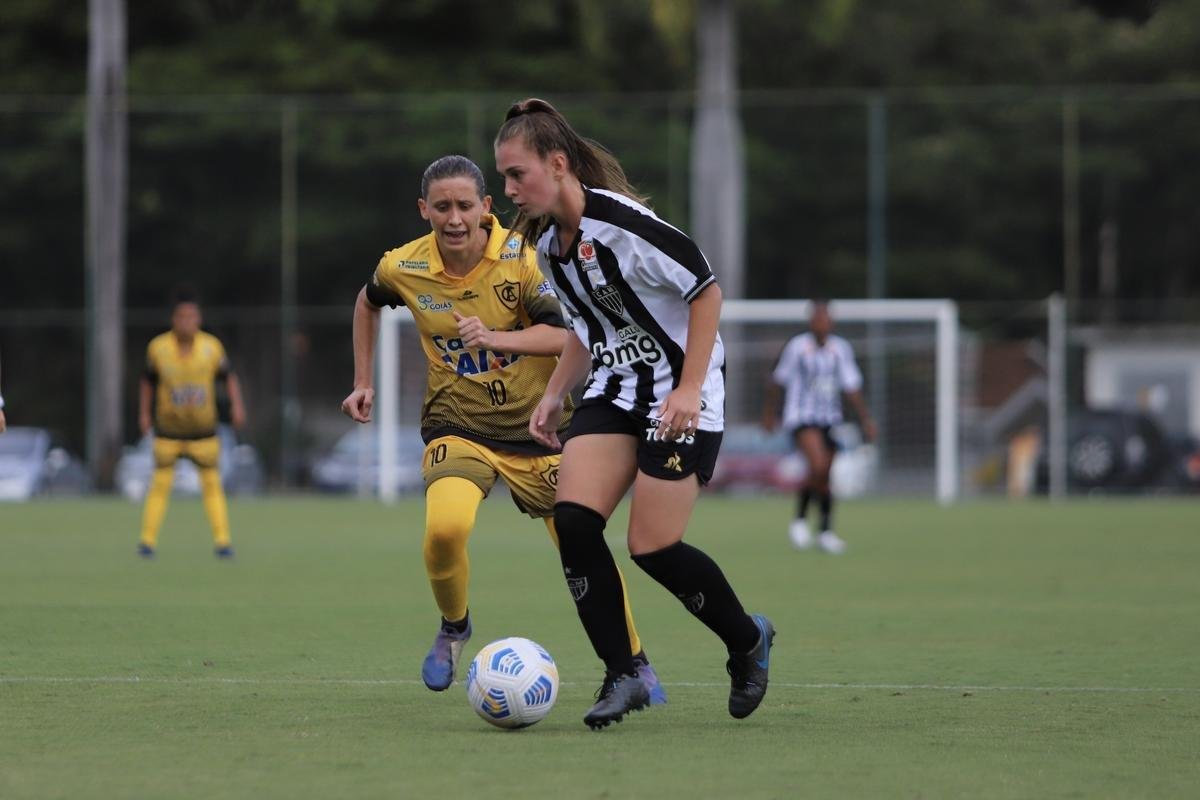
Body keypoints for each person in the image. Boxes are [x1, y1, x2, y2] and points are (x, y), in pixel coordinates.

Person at [339, 155, 667, 702]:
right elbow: (367, 301)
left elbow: (569, 337)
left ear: (486, 207)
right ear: (424, 210)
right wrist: (362, 379)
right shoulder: (404, 266)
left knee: (582, 548)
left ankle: (633, 661)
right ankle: (454, 626)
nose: (454, 218)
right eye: (441, 206)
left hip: (541, 430)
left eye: (465, 205)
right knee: (445, 529)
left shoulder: (523, 259)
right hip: (458, 425)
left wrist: (495, 337)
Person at [495, 98, 775, 730]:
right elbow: (584, 328)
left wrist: (688, 389)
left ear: (558, 164)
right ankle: (624, 673)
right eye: (506, 176)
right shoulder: (548, 246)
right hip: (616, 390)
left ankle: (747, 640)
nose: (508, 189)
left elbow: (706, 288)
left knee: (652, 547)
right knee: (573, 521)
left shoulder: (624, 226)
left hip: (682, 397)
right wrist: (552, 393)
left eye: (517, 174)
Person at [137, 290, 246, 558]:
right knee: (160, 484)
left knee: (211, 484)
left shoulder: (211, 347)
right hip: (168, 430)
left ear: (199, 319)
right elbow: (147, 381)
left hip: (203, 431)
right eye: (182, 316)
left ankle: (223, 542)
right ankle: (147, 542)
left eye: (192, 316)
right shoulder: (158, 348)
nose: (187, 321)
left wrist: (237, 405)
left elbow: (228, 376)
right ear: (174, 319)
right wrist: (144, 414)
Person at [762, 301, 877, 554]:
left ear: (831, 322)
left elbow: (852, 387)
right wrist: (769, 414)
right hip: (801, 417)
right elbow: (777, 381)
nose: (821, 323)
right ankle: (800, 521)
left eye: (825, 319)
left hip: (830, 418)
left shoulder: (840, 349)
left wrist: (866, 419)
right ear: (811, 322)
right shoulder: (797, 348)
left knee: (825, 475)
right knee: (818, 465)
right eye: (817, 319)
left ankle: (825, 531)